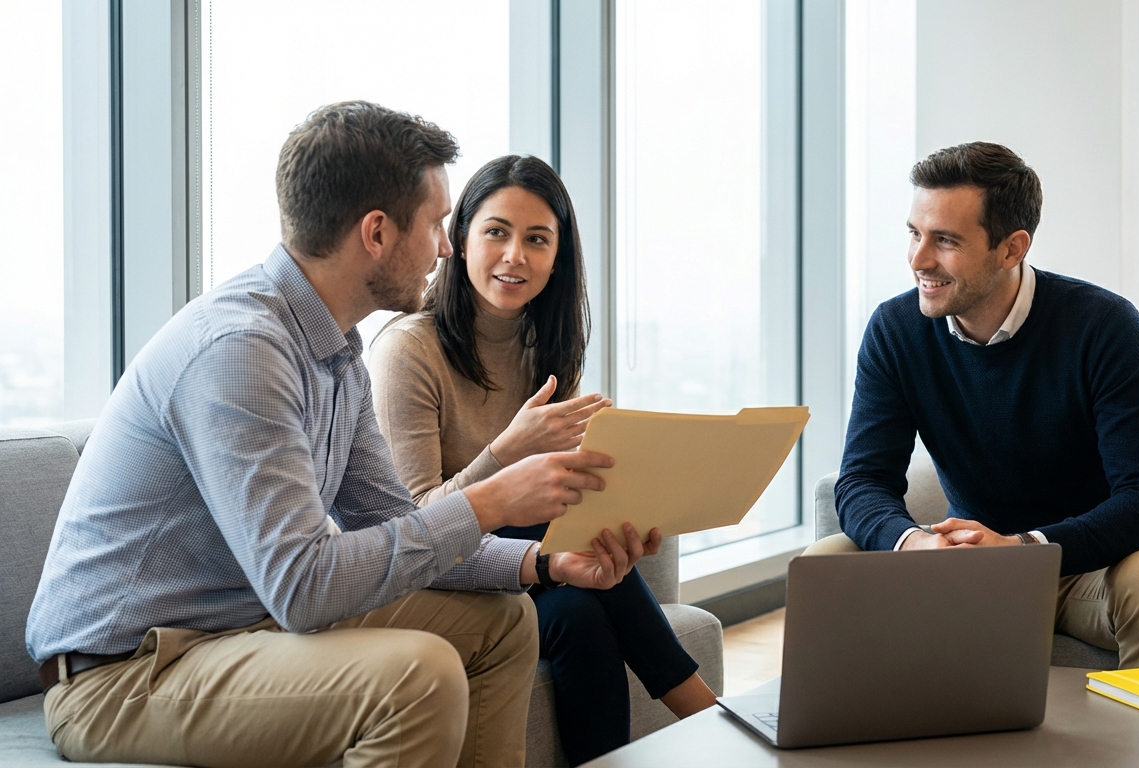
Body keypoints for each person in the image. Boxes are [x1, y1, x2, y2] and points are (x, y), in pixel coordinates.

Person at [26, 102, 656, 768]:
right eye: (438, 223)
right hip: (121, 676)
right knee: (419, 677)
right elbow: (302, 589)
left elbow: (402, 523)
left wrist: (547, 565)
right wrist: (494, 501)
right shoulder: (244, 351)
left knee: (501, 623)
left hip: (235, 629)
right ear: (377, 233)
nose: (447, 246)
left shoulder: (333, 352)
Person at [369, 154, 718, 766]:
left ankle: (686, 726)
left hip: (529, 567)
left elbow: (562, 496)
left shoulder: (544, 347)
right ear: (460, 240)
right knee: (570, 591)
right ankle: (707, 713)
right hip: (439, 572)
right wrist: (508, 450)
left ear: (558, 257)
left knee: (581, 610)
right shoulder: (408, 350)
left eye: (537, 239)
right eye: (496, 232)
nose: (515, 256)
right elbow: (413, 524)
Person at [809, 142, 1139, 669]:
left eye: (945, 240)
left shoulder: (1104, 325)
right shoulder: (896, 330)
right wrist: (912, 544)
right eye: (914, 233)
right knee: (824, 563)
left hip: (1095, 568)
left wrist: (1022, 549)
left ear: (1012, 248)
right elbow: (862, 481)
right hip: (970, 570)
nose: (919, 259)